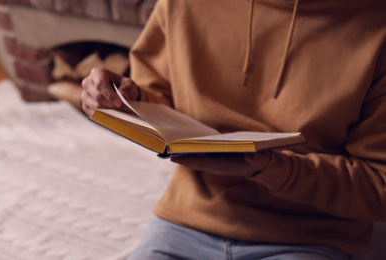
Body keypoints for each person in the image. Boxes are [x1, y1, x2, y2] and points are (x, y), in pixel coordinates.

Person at [81, 0, 386, 259]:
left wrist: (273, 168)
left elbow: (379, 184)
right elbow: (157, 95)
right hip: (189, 219)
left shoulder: (375, 26)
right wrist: (123, 100)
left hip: (311, 235)